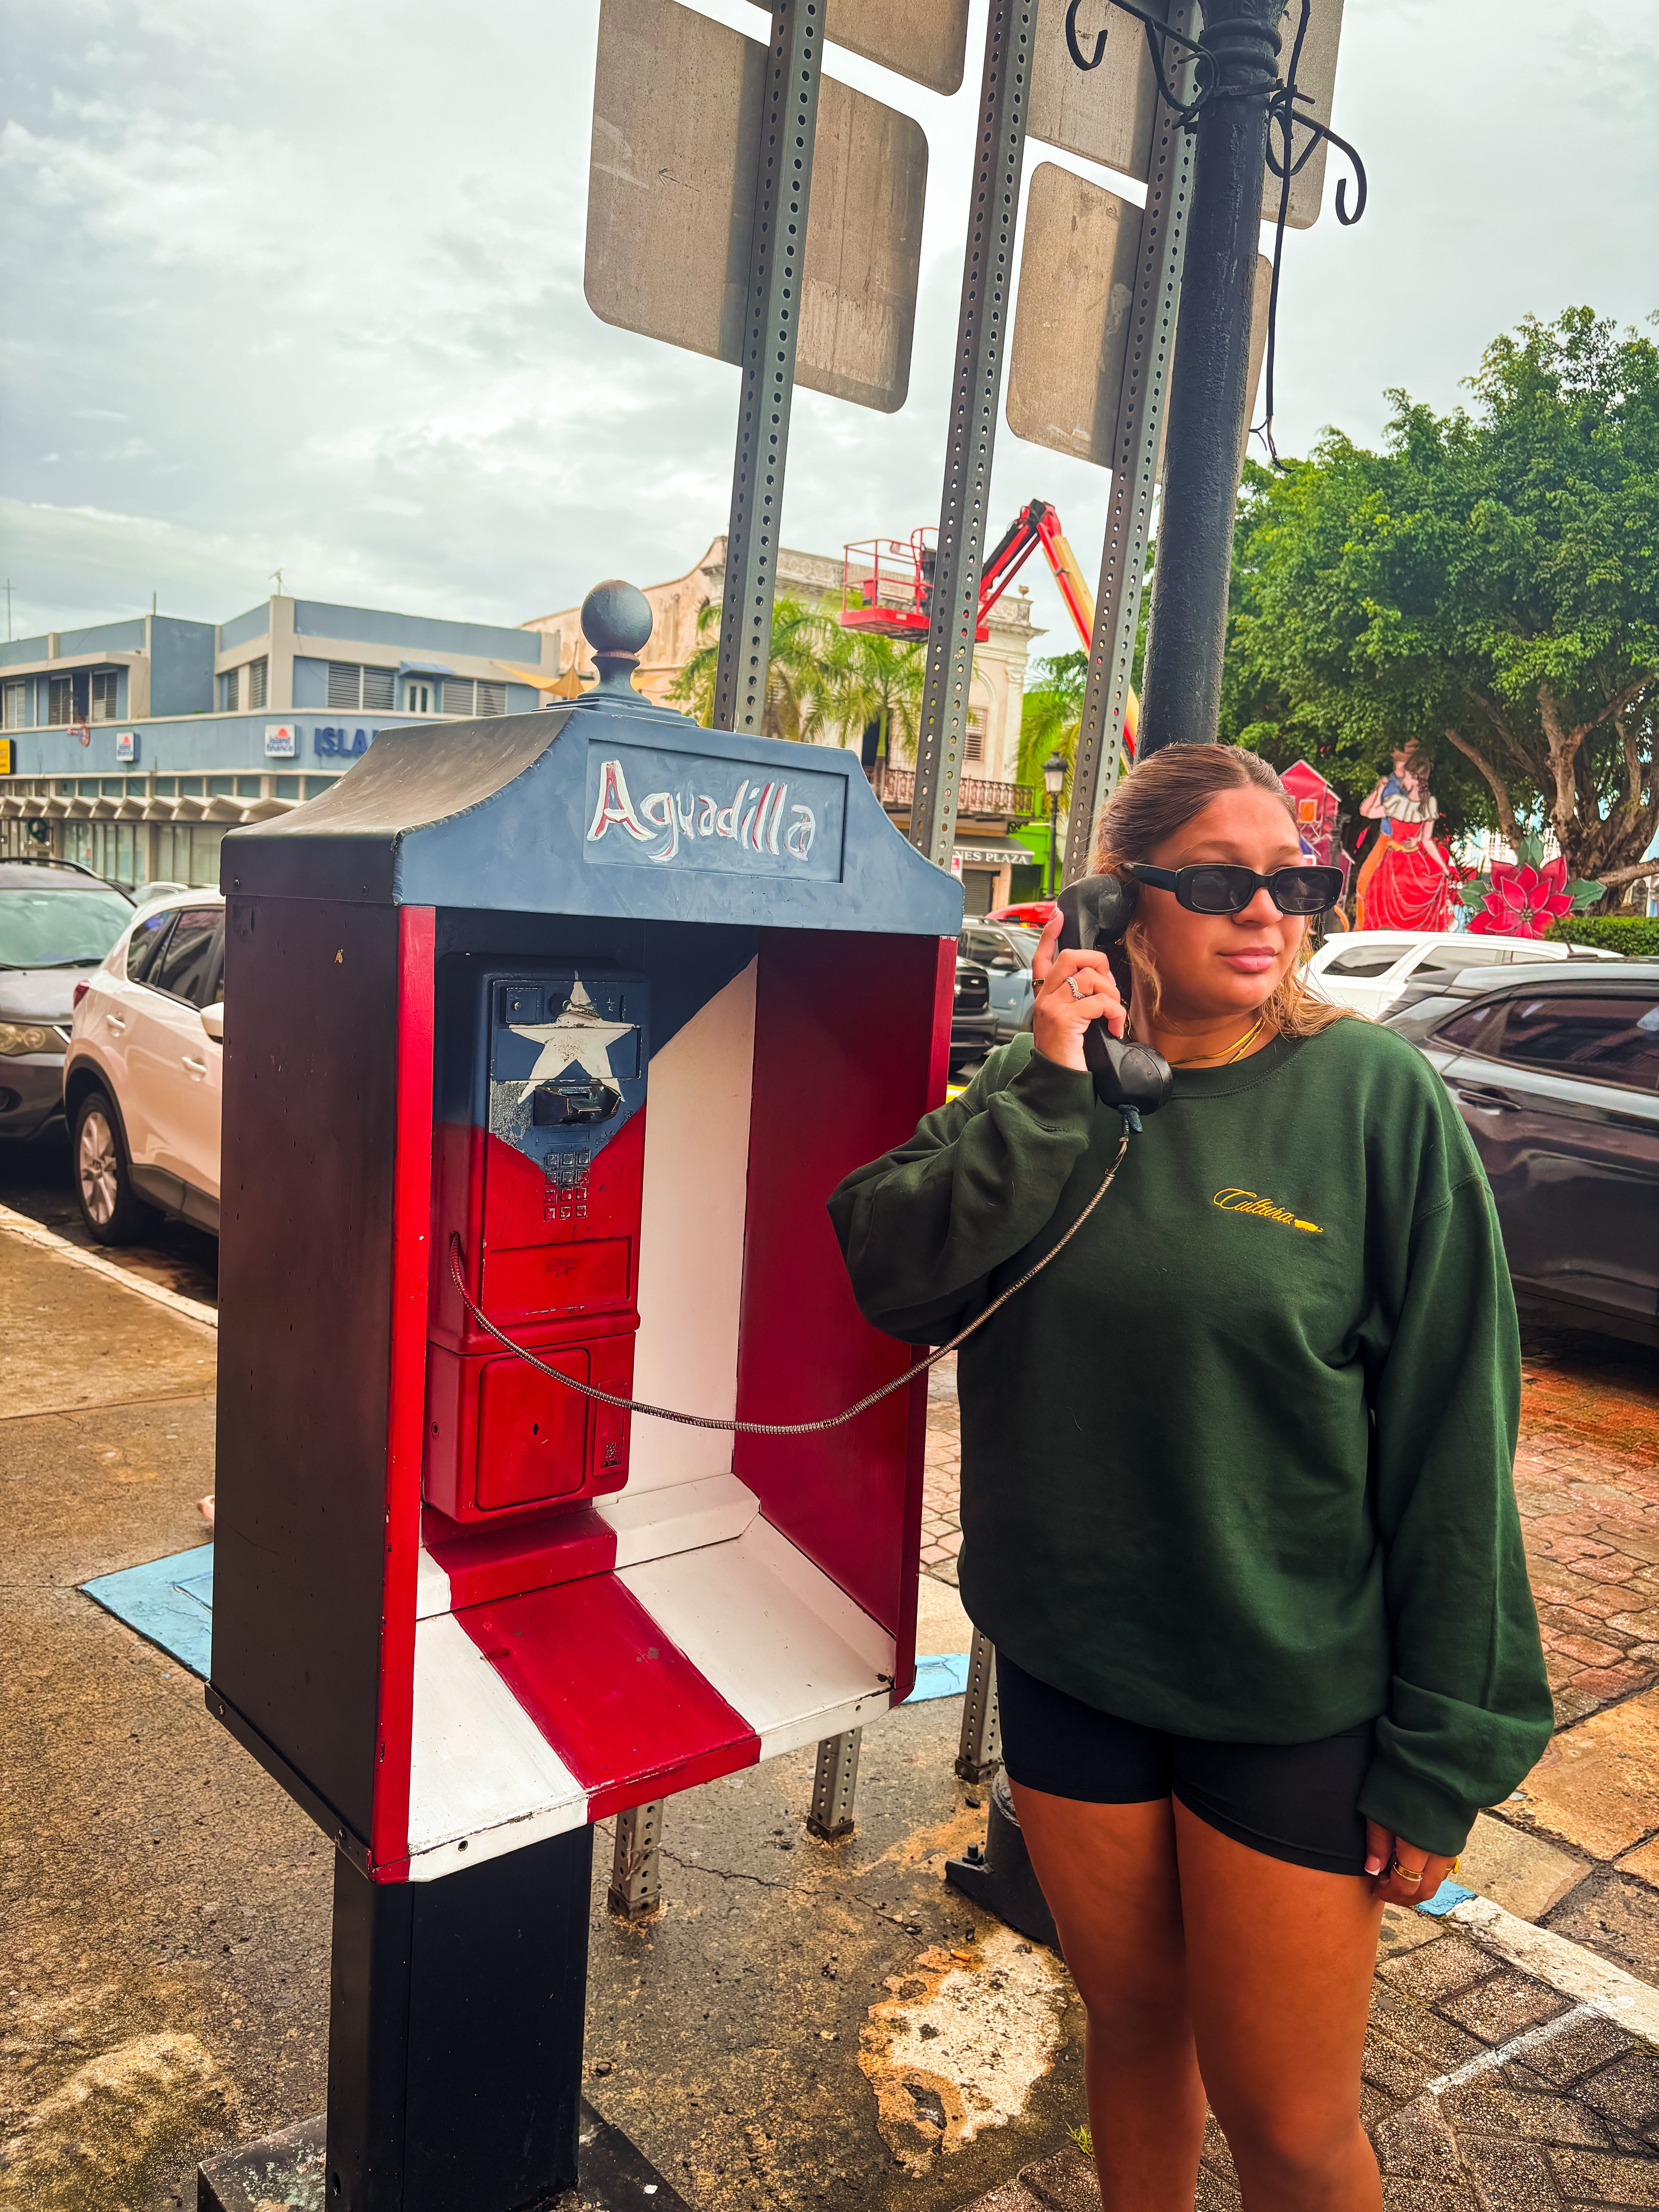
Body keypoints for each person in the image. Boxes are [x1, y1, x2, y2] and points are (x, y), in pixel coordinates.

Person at [828, 746, 1550, 2211]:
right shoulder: (1049, 1090)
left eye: (1295, 883)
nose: (1267, 912)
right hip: (1079, 1662)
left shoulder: (1369, 1098)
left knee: (1289, 2120)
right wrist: (1047, 1082)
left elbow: (1454, 1441)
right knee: (1136, 2026)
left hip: (1286, 1691)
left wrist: (1444, 1742)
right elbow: (889, 1264)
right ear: (1117, 906)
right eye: (1221, 883)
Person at [1354, 744, 1453, 930]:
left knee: (1412, 904)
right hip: (1392, 863)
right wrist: (1380, 791)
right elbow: (1367, 812)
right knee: (1380, 900)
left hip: (1413, 865)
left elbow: (1427, 840)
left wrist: (1443, 867)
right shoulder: (1397, 802)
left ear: (1415, 779)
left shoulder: (1428, 805)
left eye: (1407, 776)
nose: (1403, 780)